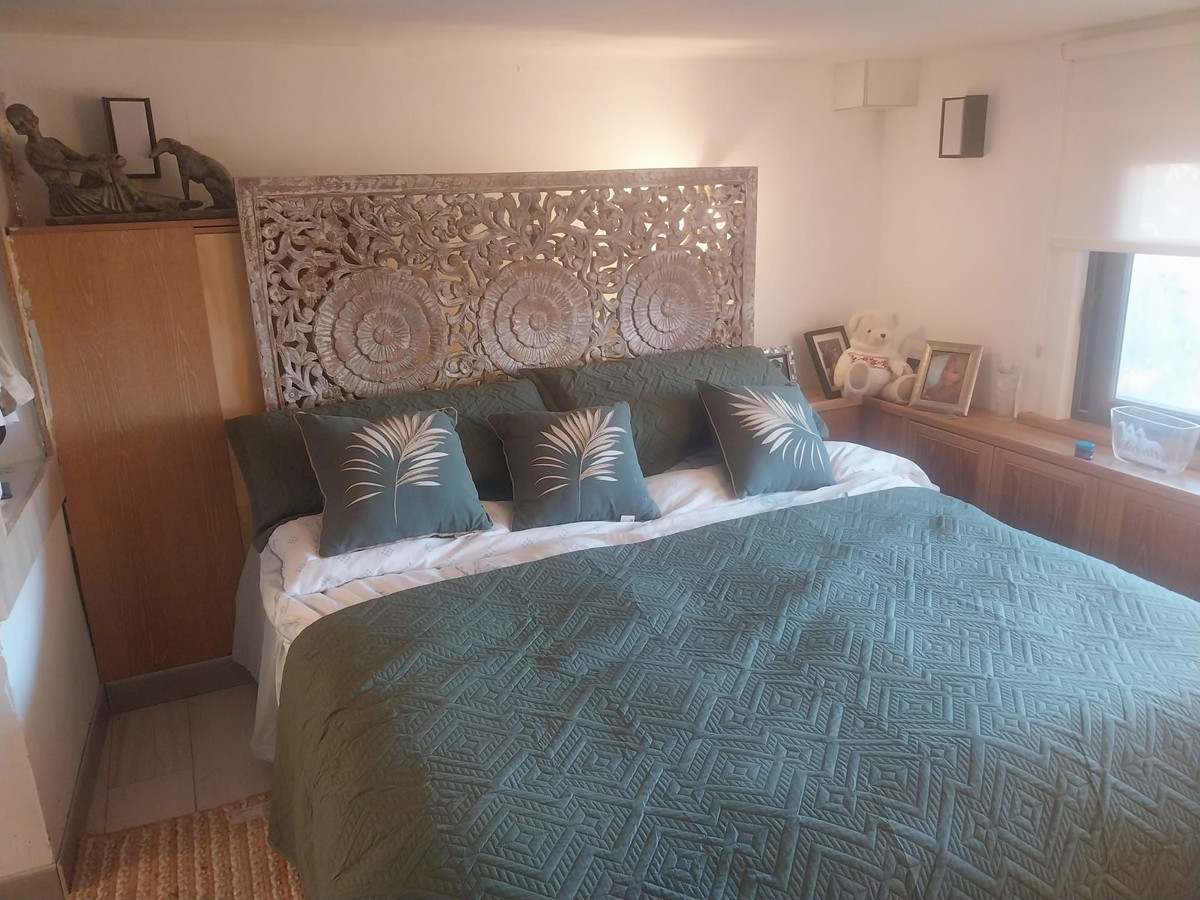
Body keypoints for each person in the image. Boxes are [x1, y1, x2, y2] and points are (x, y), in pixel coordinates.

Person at [5, 103, 182, 218]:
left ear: (35, 116)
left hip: (75, 189)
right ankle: (166, 203)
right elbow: (68, 166)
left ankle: (151, 199)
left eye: (27, 118)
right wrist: (99, 165)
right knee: (116, 190)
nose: (27, 124)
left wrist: (107, 160)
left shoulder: (52, 142)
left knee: (99, 158)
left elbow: (81, 158)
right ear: (18, 131)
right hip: (66, 198)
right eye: (20, 124)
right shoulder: (32, 150)